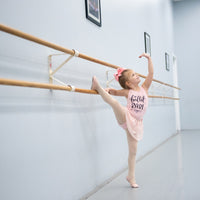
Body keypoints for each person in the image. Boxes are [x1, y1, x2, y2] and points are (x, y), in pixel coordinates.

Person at [91, 53, 153, 188]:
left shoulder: (145, 89)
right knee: (116, 104)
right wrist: (109, 90)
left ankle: (131, 177)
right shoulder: (127, 92)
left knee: (133, 152)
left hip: (136, 124)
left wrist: (149, 59)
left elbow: (151, 73)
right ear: (128, 84)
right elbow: (115, 92)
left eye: (136, 74)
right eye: (133, 75)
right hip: (126, 116)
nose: (137, 76)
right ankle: (98, 87)